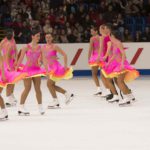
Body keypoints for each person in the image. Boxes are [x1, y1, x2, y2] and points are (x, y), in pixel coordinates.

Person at [102, 30, 139, 106]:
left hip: (122, 65)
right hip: (119, 64)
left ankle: (127, 98)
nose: (109, 37)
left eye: (110, 36)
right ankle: (129, 96)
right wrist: (108, 62)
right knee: (119, 81)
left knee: (119, 81)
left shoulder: (118, 43)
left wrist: (122, 64)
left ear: (113, 36)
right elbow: (114, 55)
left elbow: (123, 55)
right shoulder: (114, 44)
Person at [15, 28, 46, 115]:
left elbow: (43, 60)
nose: (38, 37)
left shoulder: (41, 48)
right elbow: (20, 59)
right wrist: (15, 68)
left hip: (36, 70)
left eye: (39, 36)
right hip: (27, 70)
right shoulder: (25, 47)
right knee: (27, 88)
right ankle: (21, 107)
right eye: (37, 36)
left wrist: (45, 67)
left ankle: (40, 106)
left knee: (38, 89)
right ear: (32, 36)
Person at [42, 33, 74, 108]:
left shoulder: (55, 46)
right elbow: (44, 59)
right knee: (51, 85)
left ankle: (56, 100)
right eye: (47, 37)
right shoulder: (43, 47)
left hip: (56, 68)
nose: (48, 39)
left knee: (49, 84)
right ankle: (67, 94)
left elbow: (64, 55)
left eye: (49, 37)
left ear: (52, 38)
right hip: (49, 68)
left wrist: (65, 65)